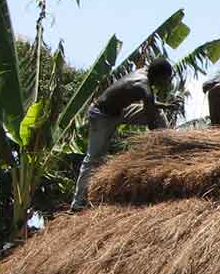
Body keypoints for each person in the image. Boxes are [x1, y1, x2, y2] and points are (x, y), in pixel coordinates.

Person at [72, 57, 173, 209]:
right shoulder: (143, 85)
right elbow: (151, 119)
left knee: (158, 113)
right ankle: (78, 203)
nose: (165, 83)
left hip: (121, 110)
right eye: (164, 79)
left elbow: (149, 104)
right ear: (157, 75)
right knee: (93, 159)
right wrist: (156, 140)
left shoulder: (145, 75)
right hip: (102, 116)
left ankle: (169, 145)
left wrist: (163, 106)